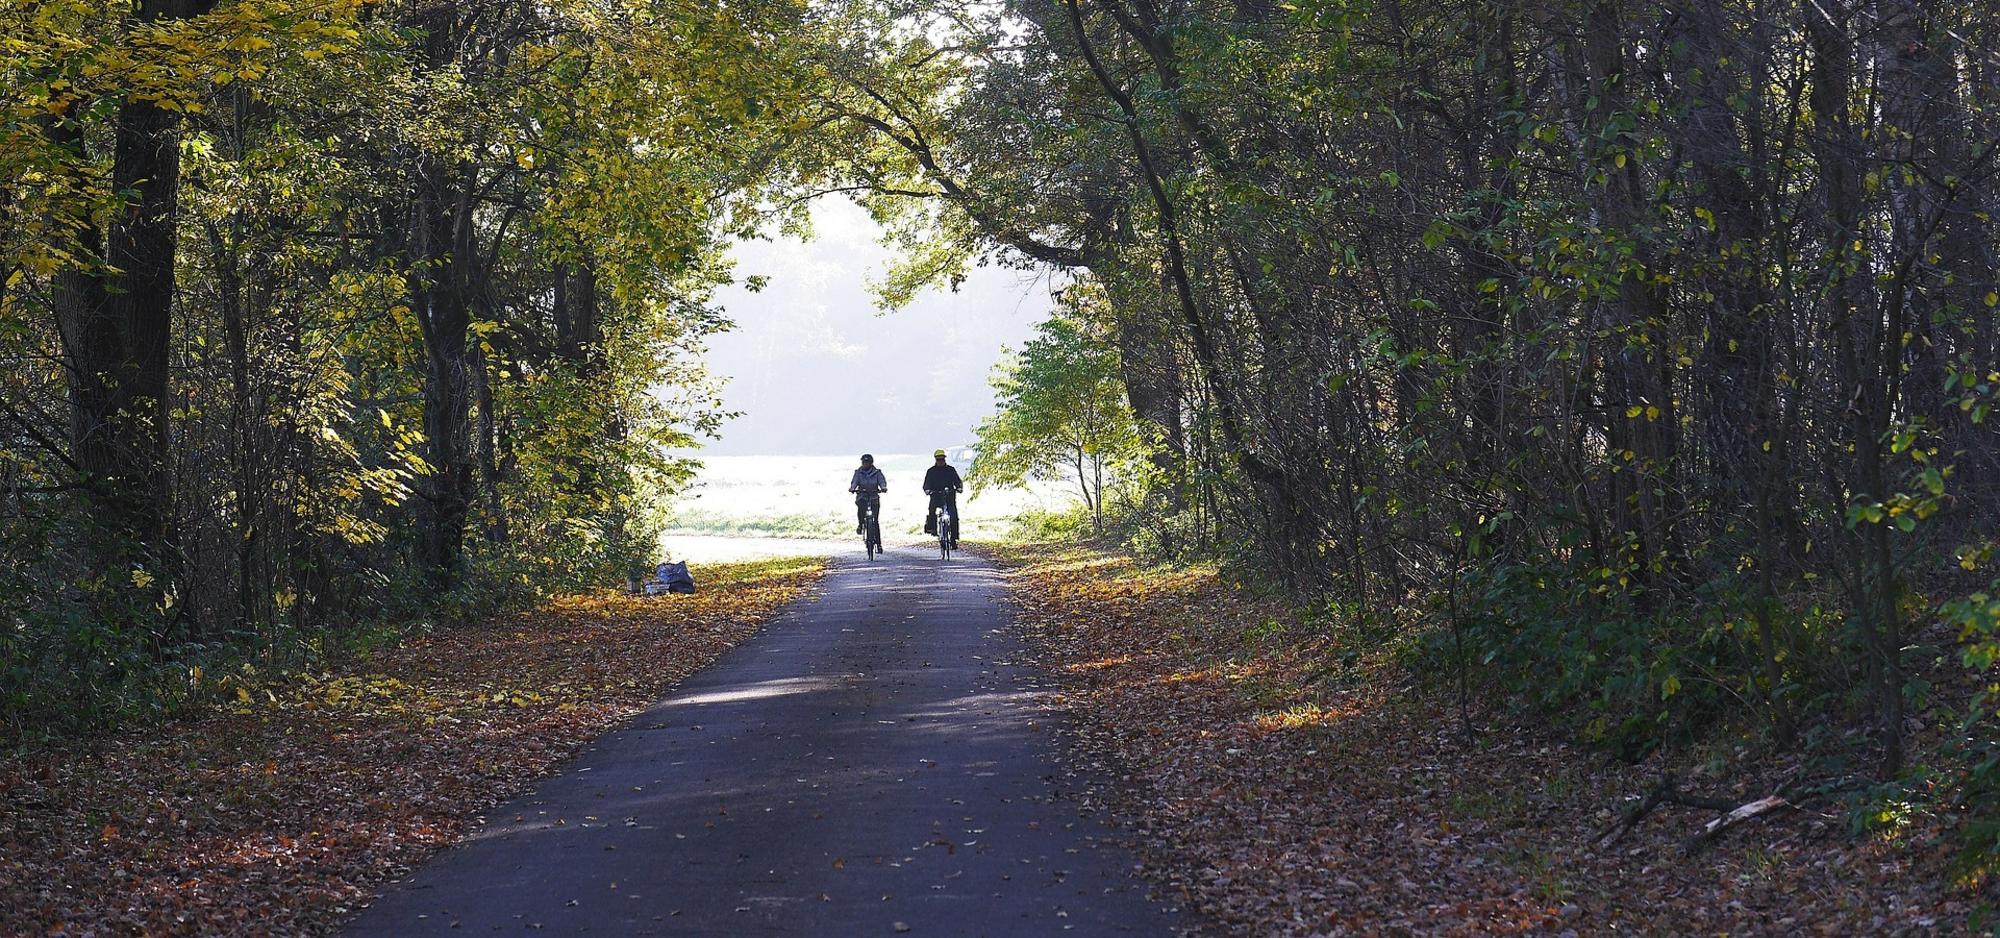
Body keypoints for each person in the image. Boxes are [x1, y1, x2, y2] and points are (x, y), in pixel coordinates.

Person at [922, 448, 963, 548]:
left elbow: (957, 480)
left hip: (949, 496)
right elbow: (926, 484)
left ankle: (953, 539)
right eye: (938, 459)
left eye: (942, 459)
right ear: (935, 460)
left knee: (953, 517)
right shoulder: (931, 471)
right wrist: (927, 490)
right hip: (936, 495)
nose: (940, 461)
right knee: (932, 510)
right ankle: (933, 529)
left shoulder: (951, 470)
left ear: (945, 459)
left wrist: (959, 487)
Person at [849, 453, 887, 536]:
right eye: (864, 462)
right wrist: (852, 488)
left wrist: (883, 487)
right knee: (861, 510)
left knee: (875, 521)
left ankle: (878, 543)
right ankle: (861, 524)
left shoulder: (877, 472)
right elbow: (854, 481)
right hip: (862, 496)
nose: (865, 464)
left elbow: (881, 481)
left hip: (874, 497)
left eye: (867, 462)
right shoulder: (858, 472)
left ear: (871, 463)